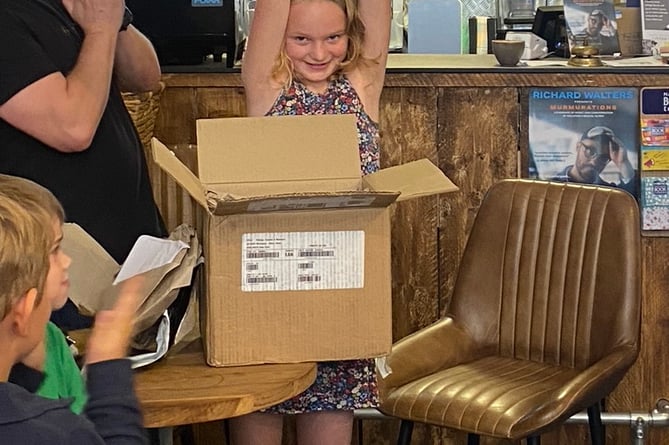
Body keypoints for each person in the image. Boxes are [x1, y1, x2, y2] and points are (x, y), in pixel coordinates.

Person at [229, 1, 391, 444]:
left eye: (333, 38)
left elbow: (378, 10)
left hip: (340, 295)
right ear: (280, 39)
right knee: (258, 412)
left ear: (350, 38)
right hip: (265, 296)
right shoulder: (268, 87)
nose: (319, 53)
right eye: (301, 39)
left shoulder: (361, 86)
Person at [0, 0, 167, 330]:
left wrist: (114, 19)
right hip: (60, 281)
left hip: (129, 260)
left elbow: (146, 76)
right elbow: (71, 127)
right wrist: (101, 29)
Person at [0, 173, 147, 444]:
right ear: (22, 313)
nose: (66, 261)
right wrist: (109, 371)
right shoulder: (54, 432)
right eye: (55, 250)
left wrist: (26, 369)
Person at [552, 126, 638, 196]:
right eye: (590, 151)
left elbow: (633, 201)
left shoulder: (608, 192)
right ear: (578, 147)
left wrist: (623, 163)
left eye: (603, 158)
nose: (594, 162)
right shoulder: (550, 185)